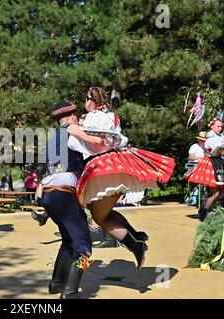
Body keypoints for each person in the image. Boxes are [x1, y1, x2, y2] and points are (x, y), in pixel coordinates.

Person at [68, 87, 175, 269]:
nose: (84, 103)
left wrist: (75, 131)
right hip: (114, 165)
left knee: (100, 218)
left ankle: (135, 244)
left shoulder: (96, 116)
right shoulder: (109, 115)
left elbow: (99, 142)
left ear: (92, 100)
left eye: (86, 99)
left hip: (104, 168)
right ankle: (135, 236)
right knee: (104, 213)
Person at [39, 101, 93, 299]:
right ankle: (69, 293)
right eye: (77, 117)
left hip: (49, 195)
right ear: (71, 117)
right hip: (64, 194)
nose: (78, 120)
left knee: (68, 241)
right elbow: (94, 151)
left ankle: (57, 283)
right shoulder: (72, 135)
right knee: (84, 247)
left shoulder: (52, 139)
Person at [185, 117, 224, 221]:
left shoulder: (220, 136)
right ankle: (204, 213)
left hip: (219, 163)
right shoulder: (211, 139)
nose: (220, 128)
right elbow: (221, 152)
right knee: (216, 193)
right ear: (212, 126)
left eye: (221, 127)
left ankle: (205, 209)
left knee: (222, 193)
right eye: (218, 126)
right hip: (212, 164)